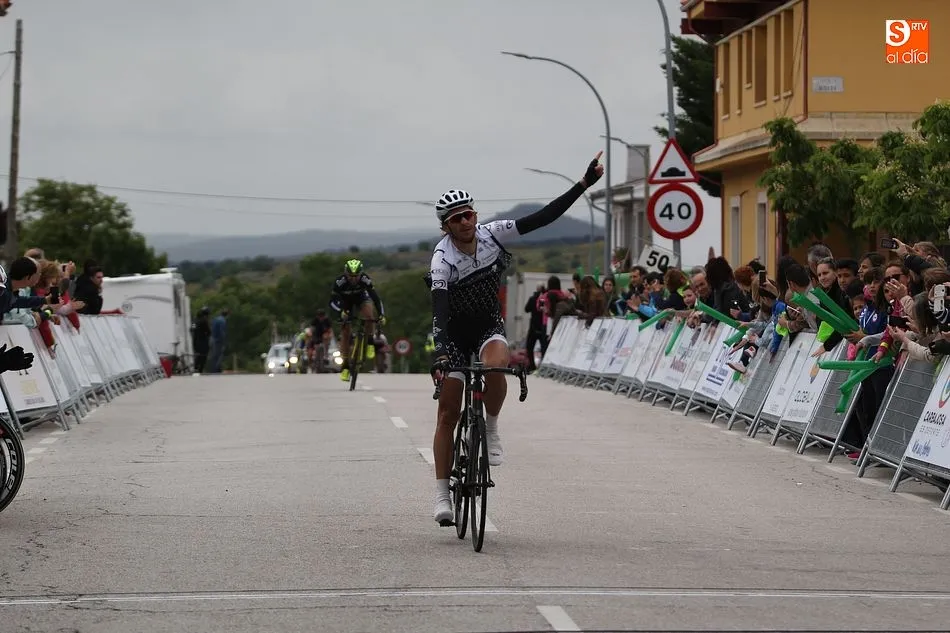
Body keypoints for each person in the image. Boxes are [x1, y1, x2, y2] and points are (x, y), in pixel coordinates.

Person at [427, 151, 604, 525]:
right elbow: (439, 309)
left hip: (487, 324)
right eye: (456, 219)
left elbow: (544, 218)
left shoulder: (494, 234)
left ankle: (490, 426)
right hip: (454, 333)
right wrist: (441, 351)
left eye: (469, 214)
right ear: (446, 226)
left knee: (497, 366)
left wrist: (584, 184)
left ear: (476, 214)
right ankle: (442, 495)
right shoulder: (442, 259)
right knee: (448, 412)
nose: (465, 222)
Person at [329, 259, 386, 383]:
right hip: (345, 303)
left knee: (369, 315)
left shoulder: (365, 279)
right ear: (346, 274)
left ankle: (370, 341)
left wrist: (381, 315)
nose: (354, 279)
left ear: (361, 274)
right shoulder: (340, 282)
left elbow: (375, 298)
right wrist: (340, 312)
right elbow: (332, 302)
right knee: (345, 332)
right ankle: (345, 366)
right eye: (351, 276)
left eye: (357, 276)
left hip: (361, 298)